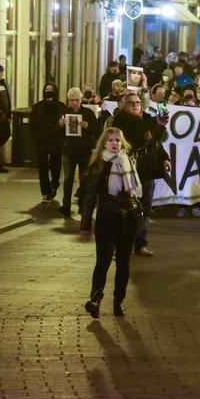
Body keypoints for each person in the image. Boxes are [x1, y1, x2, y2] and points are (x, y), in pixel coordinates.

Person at [81, 127, 142, 318]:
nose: (115, 143)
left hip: (130, 216)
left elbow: (134, 189)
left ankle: (118, 301)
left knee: (124, 262)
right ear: (103, 144)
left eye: (117, 140)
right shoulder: (98, 165)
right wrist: (85, 225)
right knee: (104, 261)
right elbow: (89, 197)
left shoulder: (128, 161)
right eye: (110, 141)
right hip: (108, 216)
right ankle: (95, 300)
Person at [113, 92, 171, 256]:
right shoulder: (121, 120)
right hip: (128, 171)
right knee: (126, 208)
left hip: (147, 170)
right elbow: (138, 134)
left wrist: (164, 158)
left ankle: (140, 244)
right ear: (124, 105)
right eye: (131, 103)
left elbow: (155, 143)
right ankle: (122, 245)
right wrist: (156, 124)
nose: (136, 105)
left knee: (145, 209)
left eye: (138, 102)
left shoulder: (146, 118)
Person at [58, 88, 98, 217]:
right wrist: (60, 125)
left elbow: (97, 130)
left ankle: (83, 205)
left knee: (84, 179)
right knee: (68, 179)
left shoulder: (88, 113)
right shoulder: (65, 112)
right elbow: (56, 133)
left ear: (81, 100)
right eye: (71, 100)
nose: (74, 103)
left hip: (84, 150)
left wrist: (87, 126)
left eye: (76, 100)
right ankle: (66, 206)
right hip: (68, 150)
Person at [30, 82, 66, 203]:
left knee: (55, 166)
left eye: (51, 89)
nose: (49, 91)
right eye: (47, 89)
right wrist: (35, 138)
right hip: (42, 140)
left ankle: (54, 185)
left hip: (56, 140)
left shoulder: (61, 106)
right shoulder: (37, 107)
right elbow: (32, 125)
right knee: (43, 167)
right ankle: (45, 191)